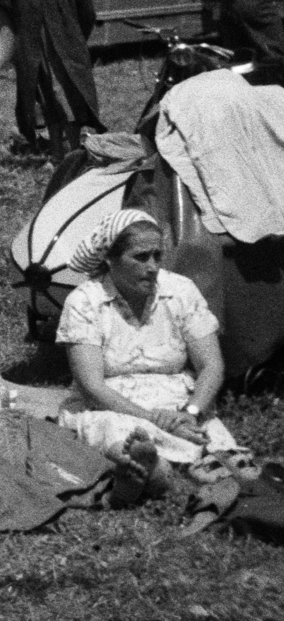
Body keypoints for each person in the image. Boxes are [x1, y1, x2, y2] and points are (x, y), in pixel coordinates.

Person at [56, 209, 237, 502]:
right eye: (140, 257)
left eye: (157, 256)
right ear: (110, 260)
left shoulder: (180, 290)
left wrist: (189, 414)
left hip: (178, 403)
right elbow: (92, 386)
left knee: (215, 443)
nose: (152, 267)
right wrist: (153, 419)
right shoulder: (85, 301)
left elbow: (211, 364)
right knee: (116, 431)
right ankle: (149, 468)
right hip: (112, 404)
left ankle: (155, 473)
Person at [7, 0, 103, 161]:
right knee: (47, 99)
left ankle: (75, 152)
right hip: (35, 50)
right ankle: (57, 155)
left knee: (70, 99)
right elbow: (12, 14)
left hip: (65, 49)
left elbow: (87, 11)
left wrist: (74, 39)